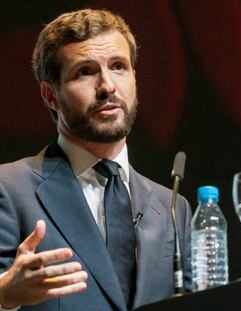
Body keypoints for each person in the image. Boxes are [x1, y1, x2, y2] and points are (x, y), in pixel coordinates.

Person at [0, 9, 191, 311]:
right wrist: (4, 295)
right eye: (85, 72)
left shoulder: (173, 207)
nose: (107, 86)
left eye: (118, 67)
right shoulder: (9, 189)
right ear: (51, 96)